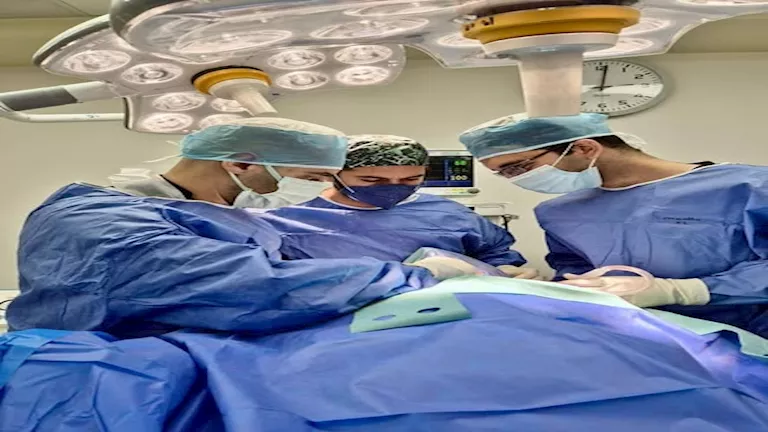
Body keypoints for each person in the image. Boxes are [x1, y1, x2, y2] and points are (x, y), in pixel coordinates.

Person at [7, 118, 480, 339]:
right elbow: (250, 287)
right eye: (310, 177)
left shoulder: (224, 214)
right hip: (109, 370)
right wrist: (415, 275)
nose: (317, 190)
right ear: (240, 163)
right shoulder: (101, 221)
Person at [459, 112, 768, 337]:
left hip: (750, 334)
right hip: (640, 339)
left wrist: (683, 291)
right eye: (502, 173)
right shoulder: (558, 212)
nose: (514, 179)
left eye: (517, 167)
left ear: (585, 148)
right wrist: (538, 286)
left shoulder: (749, 186)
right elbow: (578, 274)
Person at [261, 134, 538, 278]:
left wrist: (503, 273)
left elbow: (494, 252)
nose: (393, 187)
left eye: (411, 179)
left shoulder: (448, 214)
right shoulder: (286, 221)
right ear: (334, 174)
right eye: (372, 180)